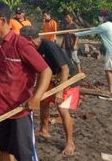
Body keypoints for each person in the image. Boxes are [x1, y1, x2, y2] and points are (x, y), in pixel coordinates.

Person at [0, 1, 51, 161]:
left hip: (19, 109)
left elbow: (45, 71)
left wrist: (36, 98)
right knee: (3, 147)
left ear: (2, 20)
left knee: (24, 154)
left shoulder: (21, 44)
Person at [20, 26, 80, 156]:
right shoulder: (34, 48)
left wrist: (59, 91)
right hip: (53, 78)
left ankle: (70, 142)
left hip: (69, 79)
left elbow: (65, 69)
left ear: (30, 39)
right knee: (43, 102)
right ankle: (44, 130)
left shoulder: (49, 47)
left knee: (62, 109)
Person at [75, 10, 112, 94]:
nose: (100, 17)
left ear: (105, 17)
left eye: (101, 16)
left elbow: (90, 32)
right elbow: (94, 30)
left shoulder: (104, 26)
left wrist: (76, 34)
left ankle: (111, 89)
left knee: (108, 70)